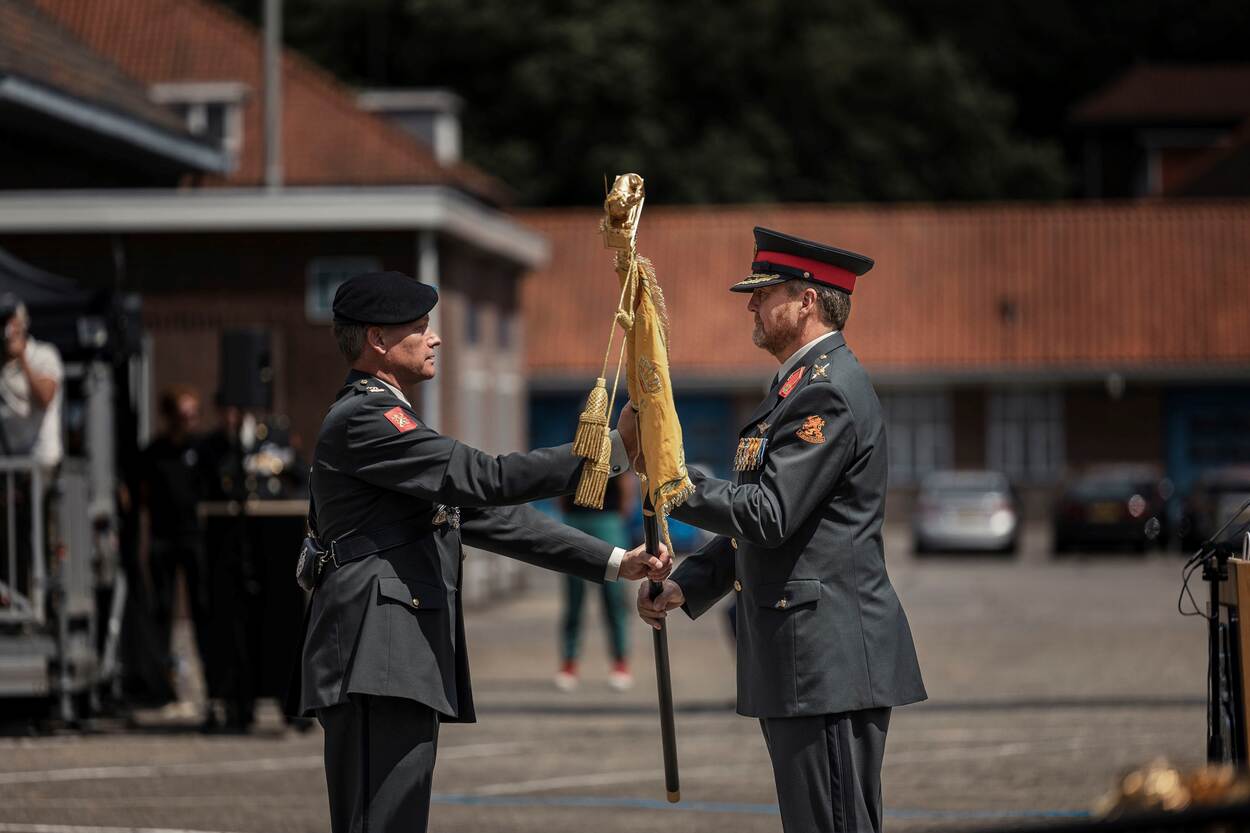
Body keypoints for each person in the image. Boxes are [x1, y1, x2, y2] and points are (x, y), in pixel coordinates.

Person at [287, 270, 670, 833]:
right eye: (419, 327)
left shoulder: (385, 416)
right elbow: (482, 478)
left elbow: (488, 518)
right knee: (381, 820)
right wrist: (612, 448)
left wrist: (614, 561)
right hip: (376, 656)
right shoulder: (369, 417)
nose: (435, 337)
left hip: (393, 656)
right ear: (377, 340)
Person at [629, 228, 926, 833]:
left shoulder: (826, 393)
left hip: (829, 660)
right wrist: (692, 583)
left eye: (764, 294)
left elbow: (770, 513)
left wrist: (674, 486)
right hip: (803, 657)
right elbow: (768, 528)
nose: (750, 306)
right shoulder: (796, 387)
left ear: (807, 300)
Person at [137, 385, 211, 717]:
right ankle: (163, 687)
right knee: (162, 613)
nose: (191, 421)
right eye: (185, 415)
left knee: (202, 609)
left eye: (195, 414)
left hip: (195, 539)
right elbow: (140, 498)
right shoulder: (154, 453)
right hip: (164, 541)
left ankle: (209, 687)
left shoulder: (201, 450)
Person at [555, 474, 635, 692]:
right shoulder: (572, 442)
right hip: (575, 517)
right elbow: (559, 478)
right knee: (573, 596)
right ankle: (569, 663)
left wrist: (622, 512)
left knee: (614, 595)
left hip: (607, 517)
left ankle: (620, 662)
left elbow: (625, 478)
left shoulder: (614, 441)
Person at [0, 294, 63, 474]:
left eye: (11, 322)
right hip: (10, 463)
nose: (7, 329)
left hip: (42, 462)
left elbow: (44, 399)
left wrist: (22, 358)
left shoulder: (45, 355)